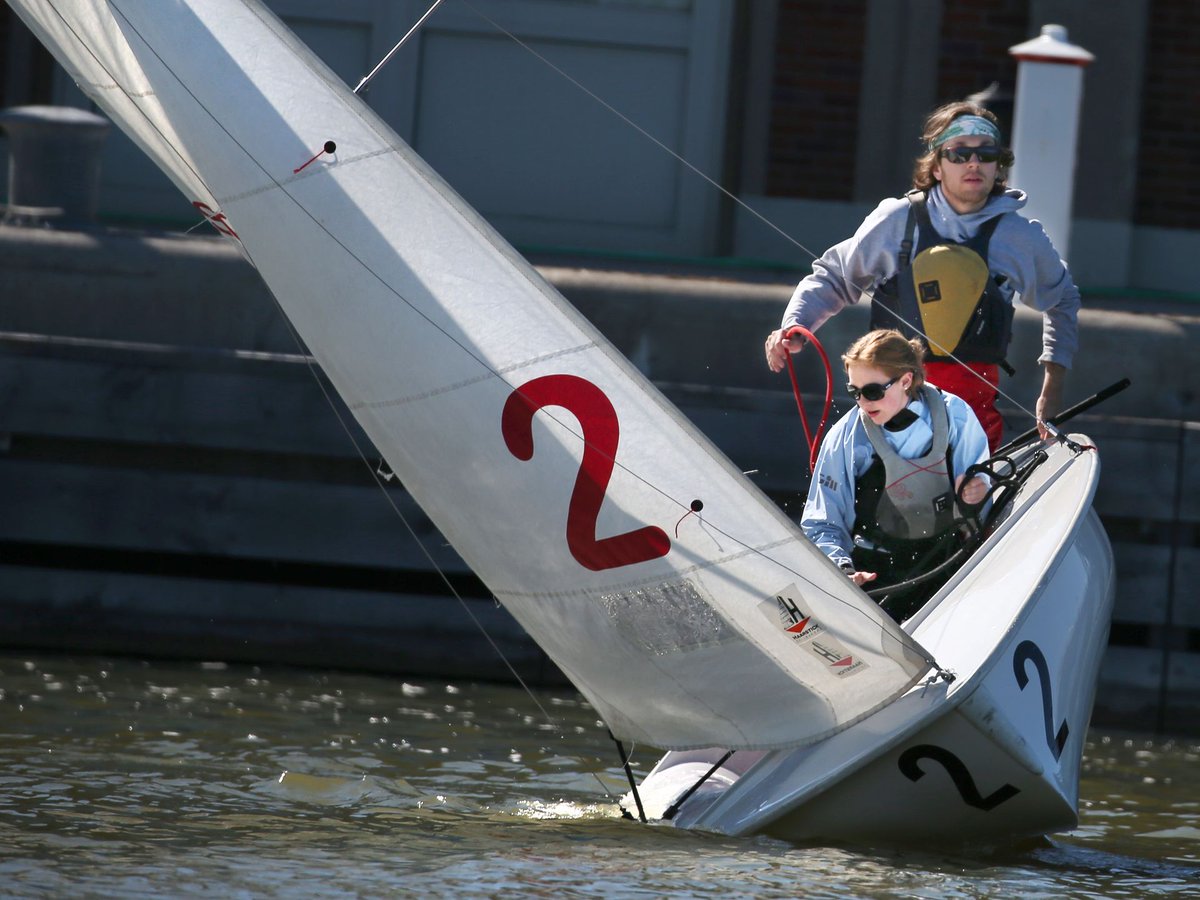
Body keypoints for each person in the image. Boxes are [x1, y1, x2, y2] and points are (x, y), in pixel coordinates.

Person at [764, 100, 1080, 451]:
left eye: (986, 154)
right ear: (938, 166)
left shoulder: (1020, 236)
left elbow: (1063, 299)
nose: (973, 162)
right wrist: (795, 324)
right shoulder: (896, 220)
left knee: (969, 491)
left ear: (998, 166)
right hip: (887, 407)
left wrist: (1053, 385)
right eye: (959, 153)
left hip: (970, 419)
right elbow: (834, 276)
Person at [802, 330, 991, 617]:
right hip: (876, 577)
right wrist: (841, 568)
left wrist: (976, 492)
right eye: (854, 392)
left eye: (873, 392)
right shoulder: (846, 437)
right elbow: (822, 522)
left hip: (948, 566)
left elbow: (982, 495)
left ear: (906, 380)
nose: (862, 402)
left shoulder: (955, 415)